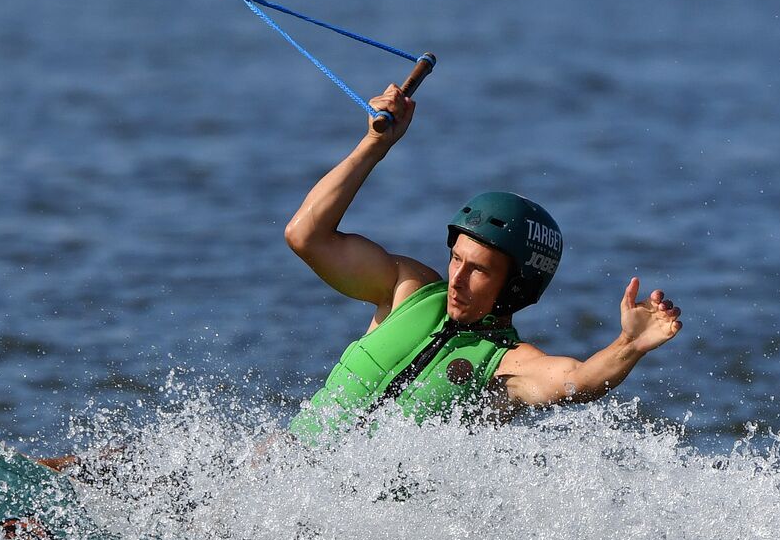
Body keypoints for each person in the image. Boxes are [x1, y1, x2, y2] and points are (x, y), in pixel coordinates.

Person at [283, 84, 682, 445]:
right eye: (456, 258)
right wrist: (374, 144)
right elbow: (307, 236)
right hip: (275, 486)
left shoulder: (506, 365)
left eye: (479, 269)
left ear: (516, 285)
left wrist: (629, 345)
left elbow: (580, 379)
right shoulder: (407, 289)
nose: (456, 278)